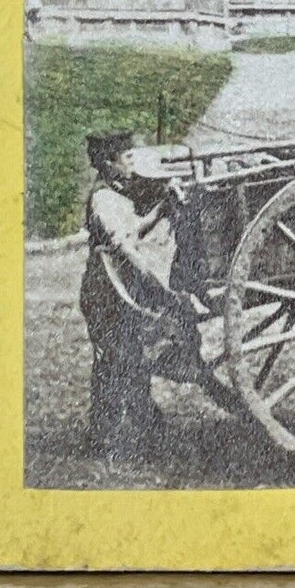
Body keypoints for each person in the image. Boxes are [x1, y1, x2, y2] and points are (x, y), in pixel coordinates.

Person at [79, 131, 200, 459]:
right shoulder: (103, 198)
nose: (133, 163)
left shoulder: (116, 192)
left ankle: (145, 424)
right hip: (105, 288)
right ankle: (105, 435)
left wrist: (162, 207)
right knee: (112, 360)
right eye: (127, 158)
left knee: (130, 357)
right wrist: (155, 283)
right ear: (109, 163)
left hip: (119, 285)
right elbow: (125, 247)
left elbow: (135, 229)